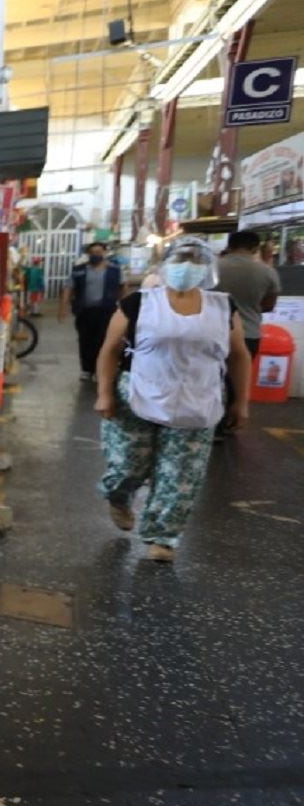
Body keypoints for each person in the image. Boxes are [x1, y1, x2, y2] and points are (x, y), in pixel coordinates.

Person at [95, 238, 253, 563]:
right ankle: (119, 497)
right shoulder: (139, 302)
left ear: (207, 268)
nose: (187, 266)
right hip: (138, 394)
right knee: (127, 466)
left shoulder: (223, 307)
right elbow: (110, 350)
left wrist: (242, 401)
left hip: (198, 400)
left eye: (195, 260)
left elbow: (239, 356)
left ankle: (163, 537)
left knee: (181, 474)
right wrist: (104, 393)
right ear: (167, 265)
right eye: (182, 259)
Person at [214, 230, 280, 369]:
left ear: (229, 246)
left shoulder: (212, 268)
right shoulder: (268, 272)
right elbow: (269, 305)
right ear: (255, 248)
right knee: (239, 382)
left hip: (214, 332)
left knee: (212, 380)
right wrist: (248, 306)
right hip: (249, 334)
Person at [64, 241, 123, 382]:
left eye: (98, 252)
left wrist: (124, 308)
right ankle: (86, 370)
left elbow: (123, 288)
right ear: (88, 254)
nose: (96, 255)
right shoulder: (79, 270)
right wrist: (63, 307)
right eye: (93, 253)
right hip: (84, 312)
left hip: (106, 312)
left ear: (104, 253)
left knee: (102, 341)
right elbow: (68, 288)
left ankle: (98, 370)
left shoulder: (114, 270)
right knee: (85, 341)